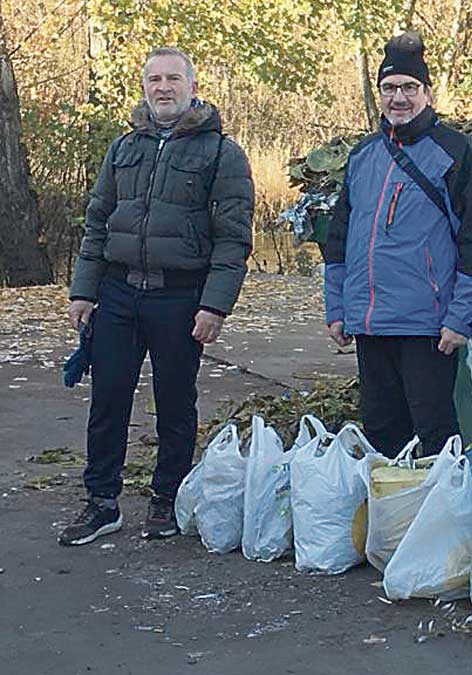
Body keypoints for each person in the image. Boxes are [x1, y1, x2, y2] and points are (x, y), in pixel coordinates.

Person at [60, 47, 253, 545]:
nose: (162, 87)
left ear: (192, 86)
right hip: (118, 293)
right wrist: (84, 290)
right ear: (144, 86)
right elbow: (98, 221)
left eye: (172, 79)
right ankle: (102, 502)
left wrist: (215, 305)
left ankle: (166, 499)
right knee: (107, 400)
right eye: (153, 79)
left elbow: (233, 238)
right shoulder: (124, 148)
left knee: (174, 403)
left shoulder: (220, 154)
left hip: (180, 298)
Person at [322, 33, 472, 459]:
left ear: (427, 94)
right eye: (389, 88)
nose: (399, 98)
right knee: (381, 436)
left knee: (434, 436)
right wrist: (337, 308)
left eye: (409, 88)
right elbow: (339, 240)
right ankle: (392, 520)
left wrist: (461, 317)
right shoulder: (362, 155)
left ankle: (439, 521)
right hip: (370, 323)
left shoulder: (454, 151)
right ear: (379, 94)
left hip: (427, 327)